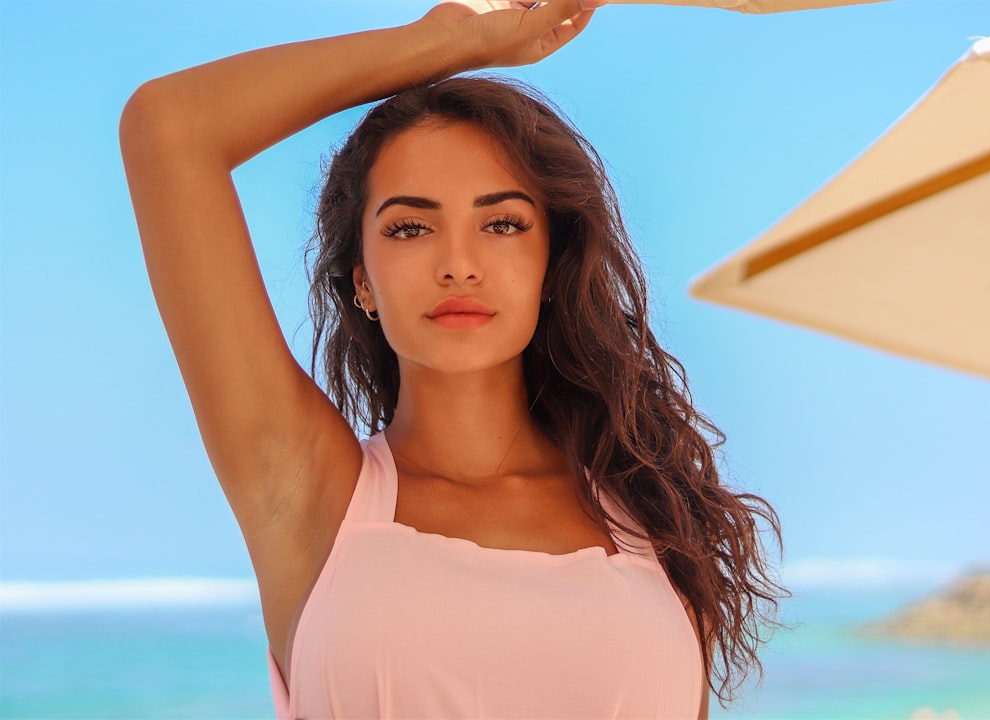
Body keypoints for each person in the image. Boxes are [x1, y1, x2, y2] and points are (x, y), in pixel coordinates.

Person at [119, 1, 782, 717]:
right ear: (362, 279)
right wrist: (449, 41)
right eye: (410, 228)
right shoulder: (314, 500)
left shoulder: (658, 525)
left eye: (501, 224)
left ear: (550, 266)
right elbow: (170, 127)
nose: (459, 265)